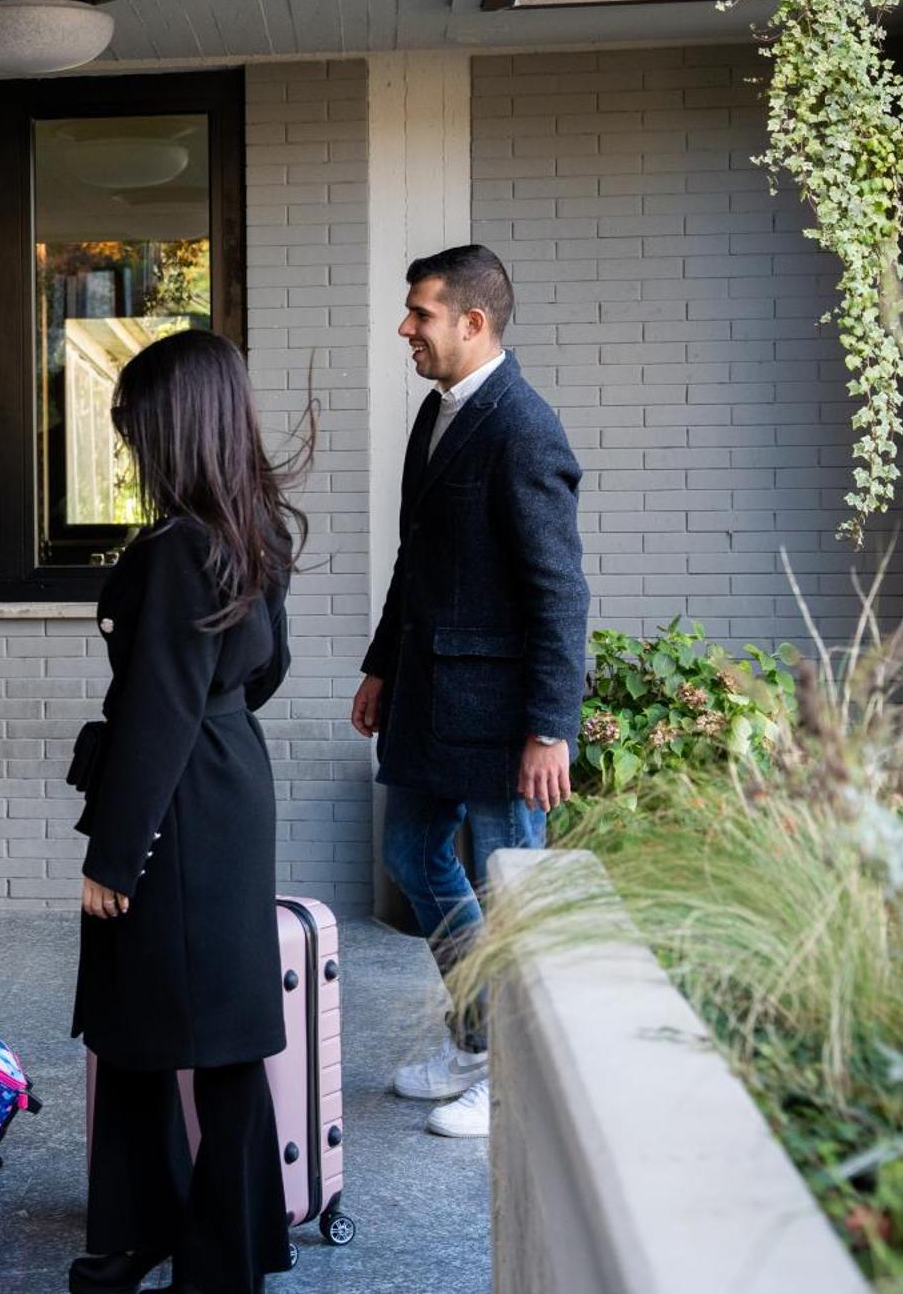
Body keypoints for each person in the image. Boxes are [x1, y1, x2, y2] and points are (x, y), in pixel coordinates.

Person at [70, 329, 306, 1294]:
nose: (128, 447)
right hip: (230, 784)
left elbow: (159, 713)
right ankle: (207, 1238)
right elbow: (266, 672)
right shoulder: (252, 528)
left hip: (176, 802)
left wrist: (115, 857)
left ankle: (200, 1253)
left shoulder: (176, 549)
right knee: (193, 1025)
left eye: (133, 430)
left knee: (177, 1029)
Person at [351, 244, 590, 1139]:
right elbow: (417, 559)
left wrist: (547, 728)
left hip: (501, 719)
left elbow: (560, 590)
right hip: (428, 694)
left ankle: (518, 1075)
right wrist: (382, 663)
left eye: (420, 312)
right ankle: (479, 1032)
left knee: (509, 894)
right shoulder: (435, 414)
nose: (405, 328)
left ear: (473, 322)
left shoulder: (525, 430)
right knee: (414, 856)